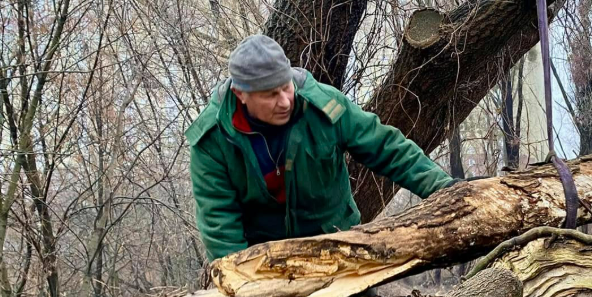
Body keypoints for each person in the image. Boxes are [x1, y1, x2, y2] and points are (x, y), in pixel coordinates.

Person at [188, 33, 456, 264]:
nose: (284, 101)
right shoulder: (213, 139)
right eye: (271, 95)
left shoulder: (324, 105)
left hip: (336, 232)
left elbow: (388, 148)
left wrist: (447, 190)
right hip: (263, 251)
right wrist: (240, 279)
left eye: (286, 87)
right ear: (240, 94)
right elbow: (219, 221)